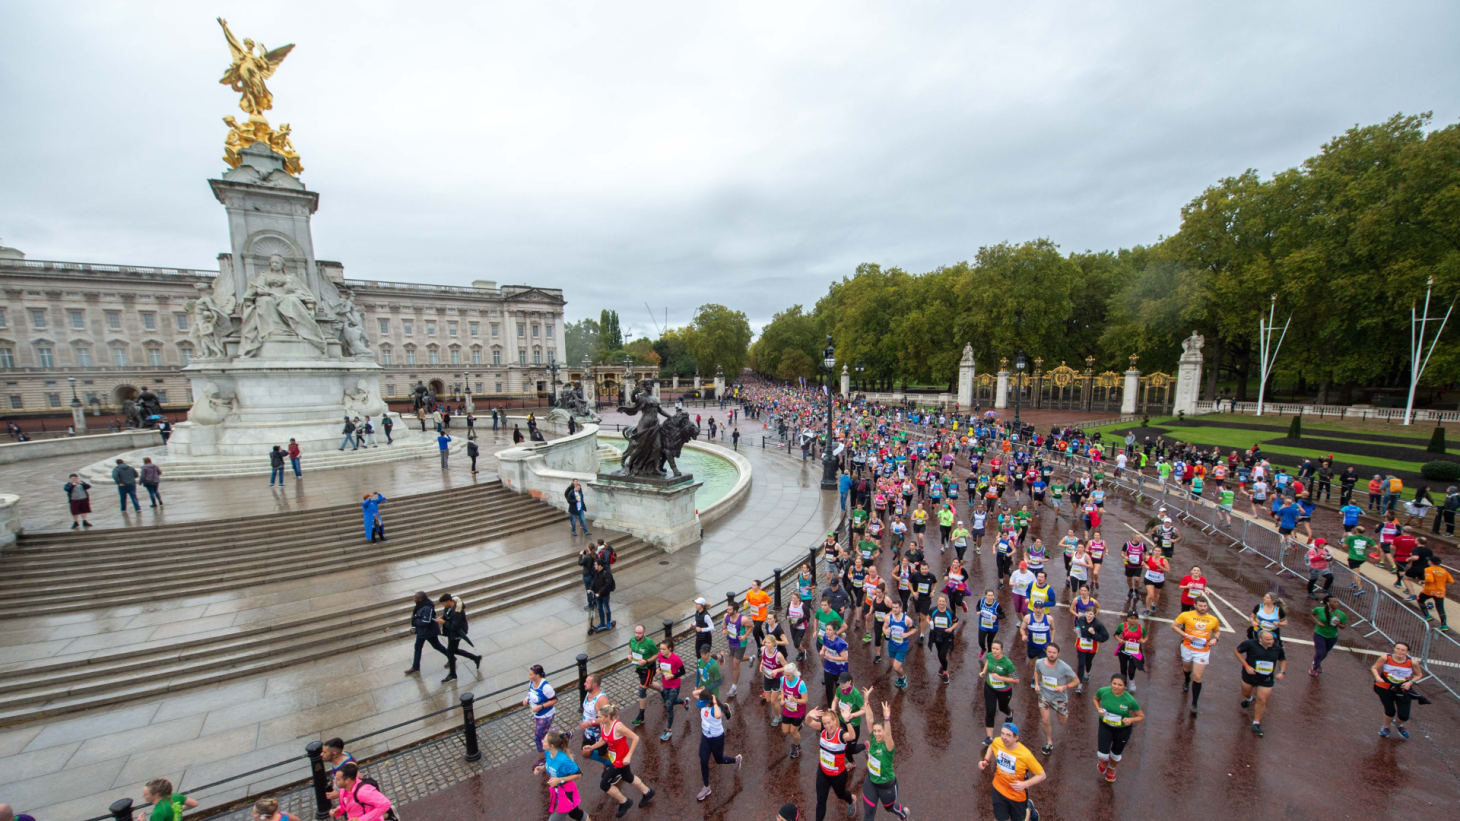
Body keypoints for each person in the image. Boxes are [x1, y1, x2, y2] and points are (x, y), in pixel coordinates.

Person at [590, 702, 657, 817]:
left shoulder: (618, 727)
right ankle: (648, 792)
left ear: (608, 717)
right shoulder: (603, 724)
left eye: (600, 716)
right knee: (627, 777)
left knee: (604, 784)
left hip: (621, 759)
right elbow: (604, 739)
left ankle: (625, 802)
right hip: (614, 757)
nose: (598, 718)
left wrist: (628, 756)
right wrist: (592, 747)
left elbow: (635, 738)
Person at [805, 698, 863, 821]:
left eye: (829, 723)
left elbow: (852, 736)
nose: (827, 726)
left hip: (838, 775)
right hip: (823, 772)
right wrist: (809, 715)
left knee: (840, 794)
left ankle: (851, 800)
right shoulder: (822, 730)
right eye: (825, 723)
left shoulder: (841, 734)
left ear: (835, 721)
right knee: (821, 801)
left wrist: (847, 721)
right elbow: (808, 722)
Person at [977, 721, 1045, 821]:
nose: (1004, 737)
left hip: (1017, 795)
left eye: (1008, 735)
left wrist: (1025, 784)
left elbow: (1042, 775)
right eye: (1002, 733)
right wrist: (986, 760)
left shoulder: (1025, 755)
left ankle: (1029, 809)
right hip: (999, 788)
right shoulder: (998, 741)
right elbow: (992, 746)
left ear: (1016, 738)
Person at [859, 697, 910, 820]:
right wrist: (866, 701)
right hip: (871, 780)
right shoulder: (874, 740)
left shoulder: (888, 747)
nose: (876, 733)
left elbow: (888, 735)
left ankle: (903, 815)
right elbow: (869, 719)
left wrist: (887, 718)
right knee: (869, 813)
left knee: (889, 808)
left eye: (879, 731)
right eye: (875, 731)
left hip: (886, 785)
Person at [1172, 597, 1221, 714]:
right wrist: (1185, 635)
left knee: (1198, 676)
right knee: (1186, 668)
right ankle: (1186, 679)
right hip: (1187, 647)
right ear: (1195, 605)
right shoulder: (1186, 615)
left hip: (1203, 650)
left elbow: (1216, 631)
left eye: (1205, 606)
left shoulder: (1213, 619)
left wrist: (1215, 639)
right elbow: (1173, 626)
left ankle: (1194, 703)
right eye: (1200, 606)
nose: (1203, 608)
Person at [692, 687, 742, 801]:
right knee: (703, 761)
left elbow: (719, 715)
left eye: (704, 702)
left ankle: (736, 760)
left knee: (718, 760)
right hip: (705, 737)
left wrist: (714, 700)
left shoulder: (716, 708)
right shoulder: (705, 703)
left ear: (710, 702)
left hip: (716, 738)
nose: (701, 704)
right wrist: (704, 691)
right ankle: (706, 787)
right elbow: (694, 693)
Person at [1092, 674, 1143, 784]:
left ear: (1125, 686)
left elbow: (1141, 716)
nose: (1116, 686)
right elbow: (1095, 699)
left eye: (1120, 685)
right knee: (1102, 754)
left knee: (1116, 754)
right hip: (1105, 725)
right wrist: (1098, 708)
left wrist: (1131, 720)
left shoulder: (1129, 700)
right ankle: (1104, 761)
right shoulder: (1103, 691)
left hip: (1122, 730)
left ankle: (1111, 768)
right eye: (1114, 684)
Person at [1372, 641, 1428, 739]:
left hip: (1402, 689)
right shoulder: (1386, 657)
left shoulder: (1412, 662)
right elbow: (1374, 668)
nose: (1399, 652)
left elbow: (1419, 675)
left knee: (1404, 716)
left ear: (1408, 652)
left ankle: (1397, 724)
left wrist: (1410, 682)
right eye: (1398, 649)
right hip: (1385, 687)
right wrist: (1377, 677)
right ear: (1394, 648)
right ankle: (1386, 727)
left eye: (1403, 650)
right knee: (1390, 710)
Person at [535, 730, 590, 821]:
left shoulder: (564, 760)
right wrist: (542, 768)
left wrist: (560, 780)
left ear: (551, 745)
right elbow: (551, 765)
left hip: (566, 793)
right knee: (575, 813)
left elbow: (579, 774)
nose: (542, 742)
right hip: (557, 792)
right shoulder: (548, 753)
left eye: (544, 741)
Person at [1035, 642, 1078, 755]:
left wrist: (1064, 686)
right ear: (1046, 652)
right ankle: (1049, 742)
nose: (1051, 654)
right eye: (1049, 652)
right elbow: (1036, 671)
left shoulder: (1064, 667)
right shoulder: (1039, 662)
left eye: (1054, 653)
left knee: (1062, 721)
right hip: (1044, 694)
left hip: (1059, 698)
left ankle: (1065, 713)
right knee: (1045, 720)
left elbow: (1076, 681)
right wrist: (1036, 683)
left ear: (1058, 653)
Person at [981, 640, 1019, 747]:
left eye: (997, 649)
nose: (994, 651)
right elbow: (988, 662)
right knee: (990, 711)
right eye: (993, 648)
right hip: (989, 687)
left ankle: (1009, 712)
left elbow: (1016, 680)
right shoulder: (989, 655)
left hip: (1003, 691)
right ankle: (989, 737)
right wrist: (984, 671)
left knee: (1002, 708)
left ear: (1002, 650)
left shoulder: (1008, 663)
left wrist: (1001, 678)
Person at [651, 640, 689, 741]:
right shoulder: (660, 656)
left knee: (669, 706)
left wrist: (672, 676)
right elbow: (661, 665)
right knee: (671, 700)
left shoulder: (676, 659)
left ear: (670, 649)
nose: (661, 651)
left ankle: (669, 730)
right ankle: (684, 702)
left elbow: (683, 671)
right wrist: (658, 670)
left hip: (675, 685)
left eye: (664, 649)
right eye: (660, 649)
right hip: (665, 684)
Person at [404, 591, 449, 675]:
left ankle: (451, 658)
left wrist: (415, 619)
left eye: (416, 598)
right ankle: (415, 666)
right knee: (417, 647)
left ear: (421, 599)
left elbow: (425, 621)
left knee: (437, 646)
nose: (414, 599)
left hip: (429, 632)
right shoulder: (420, 605)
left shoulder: (427, 608)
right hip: (422, 632)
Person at [628, 625, 661, 727]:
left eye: (640, 633)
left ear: (644, 633)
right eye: (636, 633)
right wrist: (630, 655)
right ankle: (663, 692)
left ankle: (641, 716)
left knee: (642, 688)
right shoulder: (632, 640)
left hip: (648, 668)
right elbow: (630, 647)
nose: (637, 635)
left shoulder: (649, 643)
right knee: (649, 683)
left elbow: (657, 654)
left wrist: (646, 661)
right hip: (639, 667)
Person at [524, 664, 560, 757]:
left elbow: (554, 700)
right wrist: (526, 699)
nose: (529, 676)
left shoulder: (546, 687)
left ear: (538, 675)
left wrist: (541, 706)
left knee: (538, 738)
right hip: (537, 714)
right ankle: (561, 734)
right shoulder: (531, 682)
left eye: (531, 675)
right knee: (543, 734)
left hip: (545, 715)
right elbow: (530, 694)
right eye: (529, 674)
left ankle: (542, 759)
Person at [1072, 608, 1108, 693]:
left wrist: (1094, 634)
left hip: (1092, 648)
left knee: (1088, 662)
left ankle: (1087, 673)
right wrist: (1076, 630)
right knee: (1081, 663)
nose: (1088, 615)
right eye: (1087, 613)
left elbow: (1105, 637)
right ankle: (1079, 685)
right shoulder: (1081, 619)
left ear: (1095, 615)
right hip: (1081, 646)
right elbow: (1077, 625)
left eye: (1091, 614)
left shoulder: (1098, 625)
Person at [930, 593, 962, 683]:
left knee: (942, 654)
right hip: (937, 635)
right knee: (940, 653)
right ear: (937, 602)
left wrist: (951, 628)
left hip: (946, 636)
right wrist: (930, 623)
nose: (941, 603)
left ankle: (945, 672)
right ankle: (942, 665)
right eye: (940, 601)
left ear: (946, 602)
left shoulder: (950, 612)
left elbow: (956, 622)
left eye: (943, 601)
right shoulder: (933, 610)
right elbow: (928, 618)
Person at [1419, 555, 1454, 631]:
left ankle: (1427, 616)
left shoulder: (1428, 569)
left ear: (1431, 562)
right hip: (1440, 591)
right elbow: (1451, 581)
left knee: (1420, 600)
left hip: (1430, 590)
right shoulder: (1444, 570)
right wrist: (1441, 581)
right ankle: (1444, 625)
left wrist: (1423, 581)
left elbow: (1430, 580)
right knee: (1440, 608)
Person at [1113, 611, 1145, 691]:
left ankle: (1131, 681)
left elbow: (1146, 636)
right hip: (1124, 650)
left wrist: (1143, 640)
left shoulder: (1141, 628)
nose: (1133, 620)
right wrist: (1119, 639)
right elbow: (1115, 634)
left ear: (1137, 619)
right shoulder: (1122, 626)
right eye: (1131, 618)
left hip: (1135, 651)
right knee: (1123, 667)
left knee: (1131, 669)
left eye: (1135, 618)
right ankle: (1124, 683)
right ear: (1128, 618)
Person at [591, 559, 616, 631]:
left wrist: (600, 593)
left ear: (600, 566)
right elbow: (594, 581)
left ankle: (608, 622)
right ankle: (602, 622)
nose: (594, 566)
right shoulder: (596, 572)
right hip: (597, 595)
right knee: (599, 609)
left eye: (596, 565)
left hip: (604, 595)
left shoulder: (607, 573)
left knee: (606, 608)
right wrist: (591, 589)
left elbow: (607, 585)